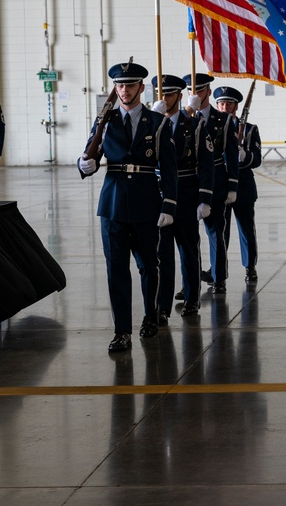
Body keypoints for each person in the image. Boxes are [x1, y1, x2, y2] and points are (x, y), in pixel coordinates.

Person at [78, 61, 178, 352]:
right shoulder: (105, 121)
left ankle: (150, 316)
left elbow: (169, 170)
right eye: (120, 85)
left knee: (149, 265)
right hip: (112, 205)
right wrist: (84, 165)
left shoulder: (158, 123)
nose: (124, 90)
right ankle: (121, 331)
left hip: (147, 203)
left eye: (130, 85)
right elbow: (89, 156)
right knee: (116, 270)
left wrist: (168, 206)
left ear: (141, 88)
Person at [151, 74, 214, 318]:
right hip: (160, 195)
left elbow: (207, 164)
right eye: (160, 94)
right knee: (162, 254)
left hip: (186, 192)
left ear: (179, 96)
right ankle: (163, 306)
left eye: (168, 94)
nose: (164, 99)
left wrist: (205, 199)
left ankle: (191, 298)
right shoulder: (151, 124)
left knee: (188, 250)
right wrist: (155, 121)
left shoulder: (194, 124)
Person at [184, 72, 239, 295]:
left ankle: (218, 278)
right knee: (187, 236)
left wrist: (233, 186)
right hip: (189, 181)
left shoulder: (223, 120)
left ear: (208, 91)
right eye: (190, 90)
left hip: (216, 180)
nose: (194, 94)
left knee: (216, 232)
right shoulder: (182, 118)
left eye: (198, 90)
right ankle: (190, 282)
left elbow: (232, 155)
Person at [215, 87, 262, 284]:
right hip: (221, 185)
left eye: (229, 104)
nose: (225, 107)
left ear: (236, 106)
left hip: (242, 186)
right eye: (222, 104)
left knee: (246, 229)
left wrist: (245, 155)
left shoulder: (250, 130)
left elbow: (257, 159)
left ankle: (250, 266)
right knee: (219, 232)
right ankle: (219, 270)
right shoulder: (212, 128)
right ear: (217, 106)